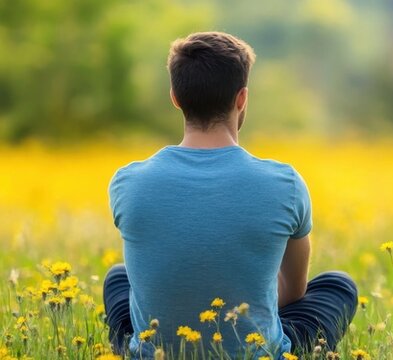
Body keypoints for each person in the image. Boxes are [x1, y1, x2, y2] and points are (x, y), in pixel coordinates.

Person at [103, 31, 357, 358]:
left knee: (117, 278)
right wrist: (241, 310)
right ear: (241, 99)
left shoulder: (128, 182)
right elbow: (295, 291)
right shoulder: (286, 183)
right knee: (338, 285)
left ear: (175, 98)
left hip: (160, 352)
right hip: (256, 351)